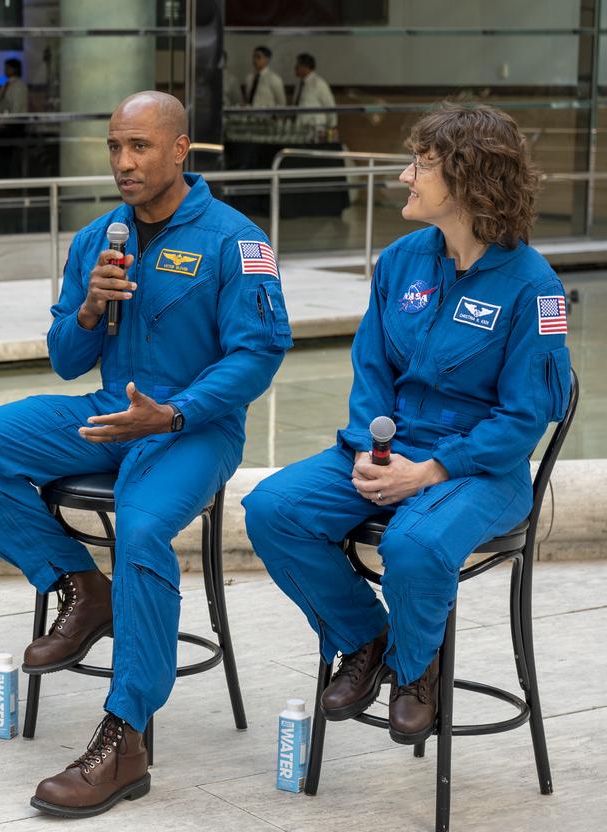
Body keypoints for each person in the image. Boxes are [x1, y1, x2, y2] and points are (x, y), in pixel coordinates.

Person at [0, 91, 291, 818]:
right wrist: (90, 308)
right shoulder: (100, 236)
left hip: (190, 424)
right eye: (115, 148)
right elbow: (67, 359)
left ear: (179, 150)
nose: (124, 163)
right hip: (109, 412)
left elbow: (258, 356)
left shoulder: (235, 241)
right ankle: (81, 584)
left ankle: (125, 734)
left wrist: (172, 413)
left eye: (140, 147)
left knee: (139, 528)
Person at [243, 103, 572, 746]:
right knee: (273, 510)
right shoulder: (400, 261)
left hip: (481, 467)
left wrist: (431, 471)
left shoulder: (536, 288)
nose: (404, 176)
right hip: (394, 447)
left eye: (421, 164)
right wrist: (375, 448)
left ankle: (416, 668)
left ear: (469, 179)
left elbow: (523, 419)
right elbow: (371, 369)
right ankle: (366, 638)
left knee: (413, 546)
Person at [292, 53, 337, 141]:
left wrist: (332, 126)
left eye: (297, 65)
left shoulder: (318, 83)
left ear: (305, 67)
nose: (295, 68)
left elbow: (330, 106)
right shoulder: (299, 84)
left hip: (315, 130)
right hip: (300, 129)